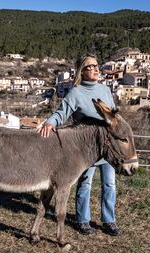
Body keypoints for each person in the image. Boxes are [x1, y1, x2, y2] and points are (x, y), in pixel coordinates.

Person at [38, 53, 120, 236]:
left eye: (96, 66)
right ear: (81, 72)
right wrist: (50, 123)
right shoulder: (76, 92)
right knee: (85, 184)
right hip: (86, 149)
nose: (94, 69)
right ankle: (82, 220)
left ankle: (109, 220)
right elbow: (62, 112)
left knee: (110, 184)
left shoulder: (105, 90)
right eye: (89, 67)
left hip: (107, 145)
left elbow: (113, 116)